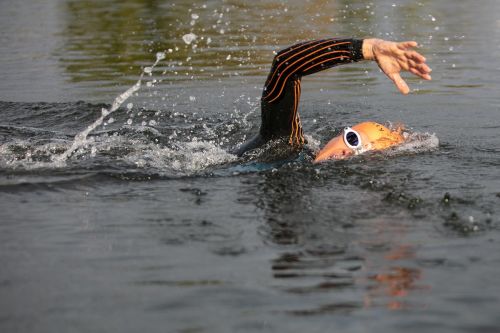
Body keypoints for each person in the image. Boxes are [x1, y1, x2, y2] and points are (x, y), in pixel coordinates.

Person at [233, 38, 432, 161]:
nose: (349, 153)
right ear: (339, 135)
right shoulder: (283, 143)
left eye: (361, 153)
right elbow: (285, 65)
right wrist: (368, 49)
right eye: (353, 141)